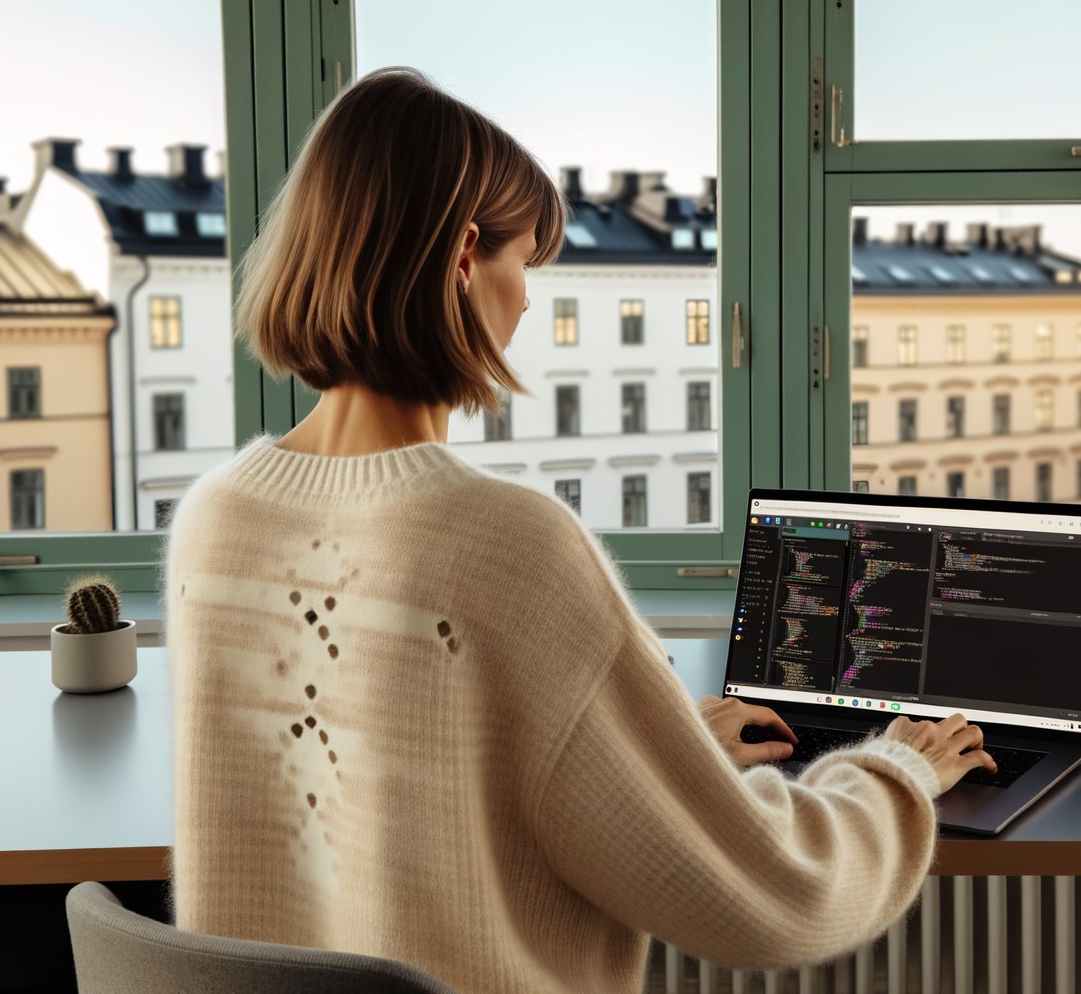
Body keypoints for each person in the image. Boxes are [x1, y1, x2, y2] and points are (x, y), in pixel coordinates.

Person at [163, 66, 995, 994]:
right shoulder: (508, 547)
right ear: (463, 256)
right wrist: (892, 772)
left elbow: (392, 759)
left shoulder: (213, 521)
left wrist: (653, 753)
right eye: (525, 261)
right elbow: (777, 894)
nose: (525, 301)